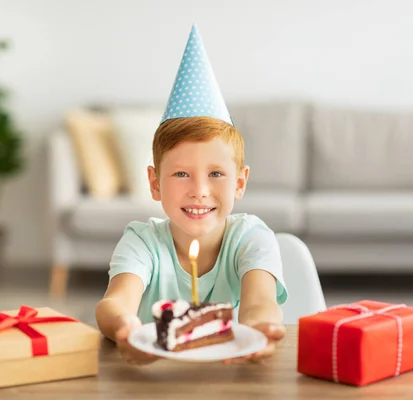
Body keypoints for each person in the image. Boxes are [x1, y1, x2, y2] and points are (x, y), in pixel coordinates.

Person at [95, 24, 288, 366]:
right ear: (154, 183)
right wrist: (124, 326)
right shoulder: (142, 242)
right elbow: (115, 303)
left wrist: (260, 329)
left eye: (216, 174)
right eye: (181, 174)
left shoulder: (253, 238)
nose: (199, 191)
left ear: (240, 184)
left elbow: (260, 303)